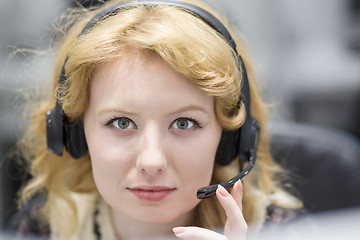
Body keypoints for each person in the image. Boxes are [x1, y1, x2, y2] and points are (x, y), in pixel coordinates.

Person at [7, 0, 303, 239]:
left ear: (230, 137)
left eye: (184, 123)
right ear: (75, 133)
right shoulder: (45, 227)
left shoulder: (283, 230)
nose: (152, 161)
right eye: (121, 122)